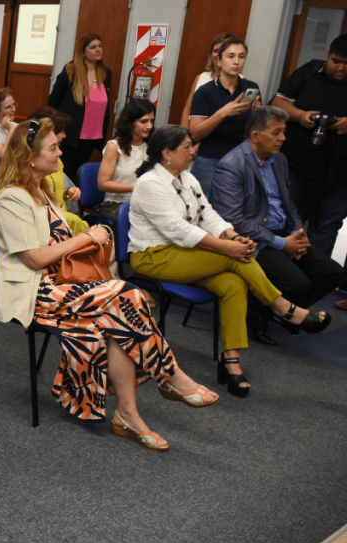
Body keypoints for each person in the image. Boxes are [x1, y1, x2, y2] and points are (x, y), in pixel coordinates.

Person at [0, 119, 219, 451]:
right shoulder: (11, 197)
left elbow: (61, 247)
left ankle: (128, 414)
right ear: (29, 157)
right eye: (53, 148)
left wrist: (92, 242)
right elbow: (35, 260)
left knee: (119, 311)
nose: (60, 152)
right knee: (126, 297)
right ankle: (169, 377)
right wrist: (86, 237)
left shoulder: (42, 189)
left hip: (62, 285)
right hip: (35, 291)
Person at [128, 126, 331, 398]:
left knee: (234, 282)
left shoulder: (187, 178)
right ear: (166, 153)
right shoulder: (149, 183)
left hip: (187, 255)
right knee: (235, 259)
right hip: (154, 257)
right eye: (187, 146)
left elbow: (208, 216)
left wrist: (234, 236)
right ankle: (283, 308)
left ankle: (231, 360)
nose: (193, 151)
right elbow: (179, 230)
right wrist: (228, 247)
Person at [211, 107, 343, 337]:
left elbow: (288, 204)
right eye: (276, 132)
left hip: (283, 232)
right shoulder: (231, 165)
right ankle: (259, 311)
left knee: (332, 273)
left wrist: (298, 232)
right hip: (255, 239)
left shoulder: (279, 160)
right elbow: (234, 220)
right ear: (255, 136)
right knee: (298, 283)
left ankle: (274, 311)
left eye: (283, 131)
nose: (283, 138)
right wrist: (283, 244)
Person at [271, 33, 347, 266]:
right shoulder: (310, 72)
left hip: (340, 173)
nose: (341, 68)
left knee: (326, 227)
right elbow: (277, 102)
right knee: (286, 222)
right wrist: (301, 115)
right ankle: (277, 278)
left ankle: (313, 284)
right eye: (336, 61)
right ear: (327, 56)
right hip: (298, 167)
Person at [189, 36, 262, 196]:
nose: (236, 62)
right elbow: (194, 133)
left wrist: (258, 114)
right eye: (231, 56)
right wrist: (223, 113)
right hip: (210, 160)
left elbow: (257, 131)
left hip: (242, 160)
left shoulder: (251, 87)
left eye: (241, 56)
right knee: (201, 209)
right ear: (219, 60)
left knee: (234, 210)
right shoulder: (205, 91)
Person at [48, 32, 113, 182]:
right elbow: (53, 102)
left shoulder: (105, 73)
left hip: (91, 137)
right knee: (65, 175)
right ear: (82, 51)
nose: (98, 50)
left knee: (79, 176)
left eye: (99, 46)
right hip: (70, 135)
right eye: (92, 47)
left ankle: (75, 204)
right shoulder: (70, 71)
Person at [28, 107, 87, 235]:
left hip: (62, 222)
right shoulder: (32, 171)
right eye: (61, 131)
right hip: (54, 226)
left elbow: (53, 194)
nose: (64, 135)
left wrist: (67, 193)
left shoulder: (56, 162)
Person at [96, 98, 155, 222]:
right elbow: (103, 184)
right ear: (130, 123)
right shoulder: (114, 147)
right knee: (147, 220)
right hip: (116, 205)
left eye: (151, 121)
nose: (149, 126)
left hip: (142, 202)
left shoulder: (150, 146)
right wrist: (135, 187)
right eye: (144, 121)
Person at [178, 33, 235, 129]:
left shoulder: (239, 81)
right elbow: (187, 110)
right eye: (216, 50)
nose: (219, 54)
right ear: (211, 54)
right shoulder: (201, 77)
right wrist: (184, 137)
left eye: (223, 50)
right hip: (191, 134)